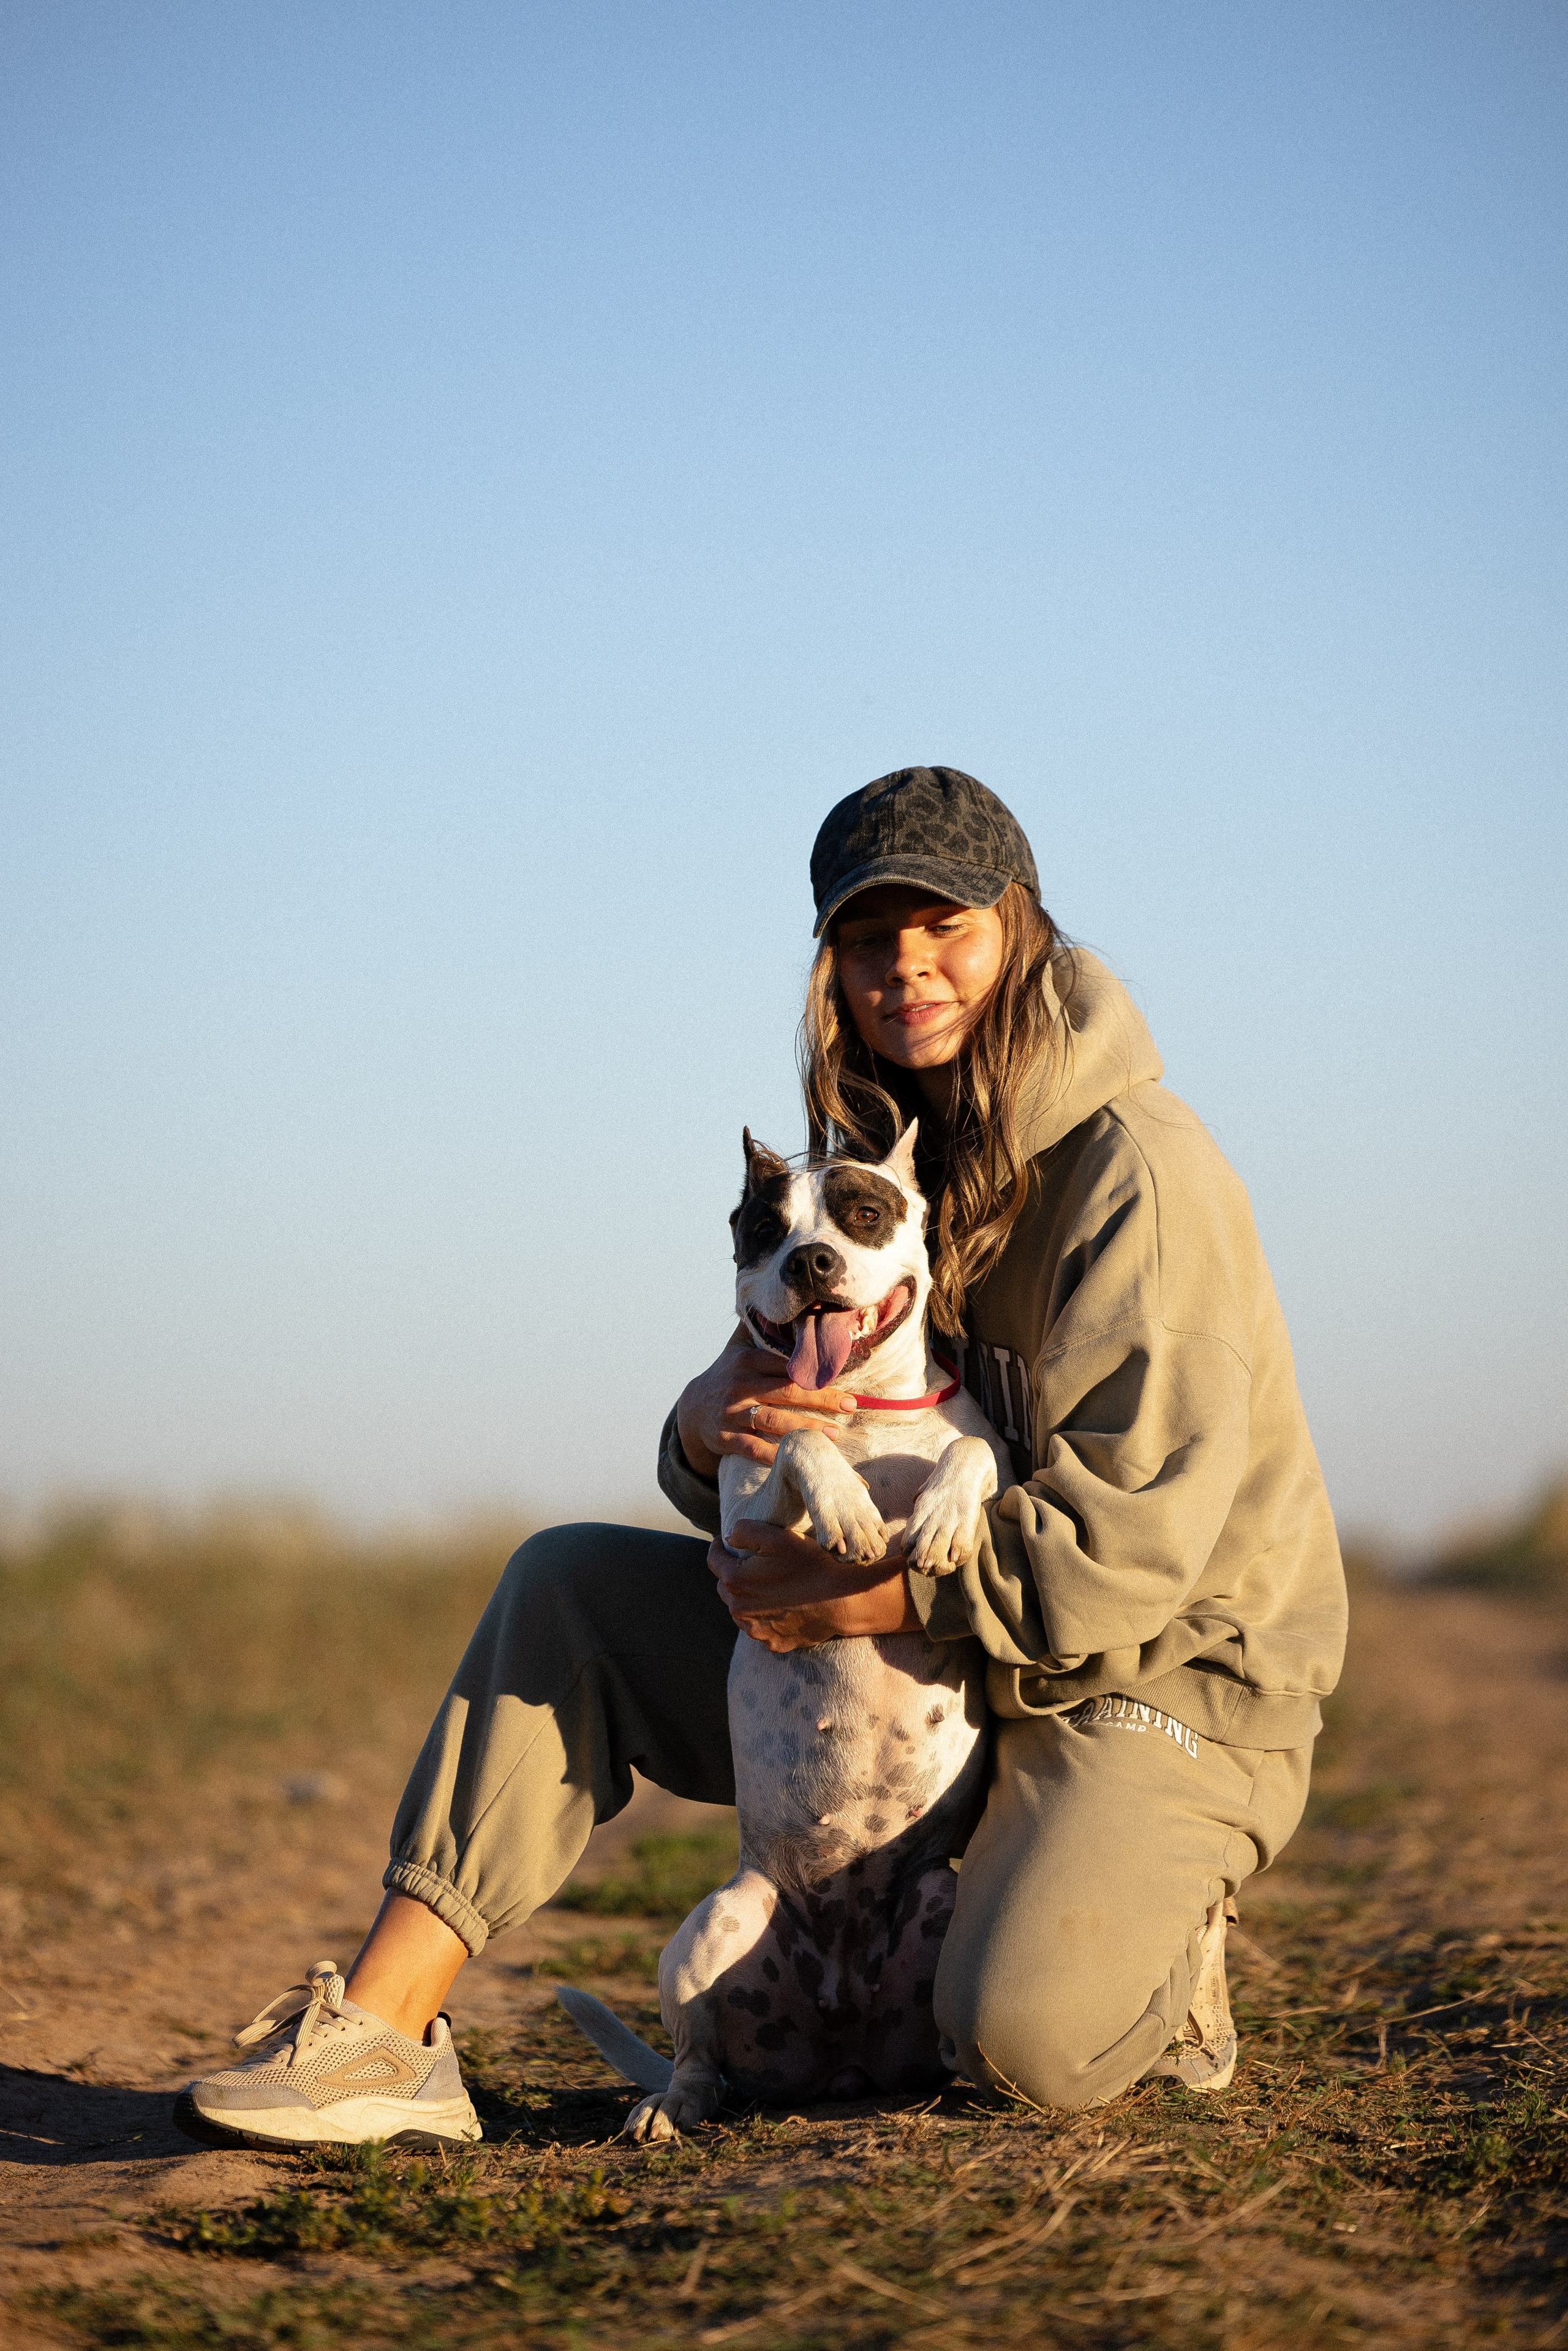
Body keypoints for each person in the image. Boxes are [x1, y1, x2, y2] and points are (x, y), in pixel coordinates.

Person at [176, 766, 1346, 2151]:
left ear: (1020, 928)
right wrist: (698, 1429)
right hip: (955, 1640)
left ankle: (1165, 1958)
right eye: (867, 941)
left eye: (945, 928)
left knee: (1022, 2037)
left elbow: (1137, 1551)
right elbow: (805, 1456)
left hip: (1162, 1670)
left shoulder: (1137, 1171)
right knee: (567, 1587)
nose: (905, 970)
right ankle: (381, 2031)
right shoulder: (881, 1174)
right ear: (830, 963)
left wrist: (864, 1601)